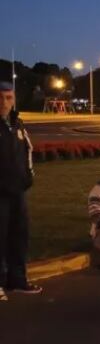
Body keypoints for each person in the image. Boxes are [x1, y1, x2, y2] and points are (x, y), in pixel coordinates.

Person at [0, 81, 42, 299]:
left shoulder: (18, 124)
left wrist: (28, 176)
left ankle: (17, 280)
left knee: (19, 236)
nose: (4, 102)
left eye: (8, 97)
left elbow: (28, 151)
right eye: (0, 97)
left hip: (18, 191)